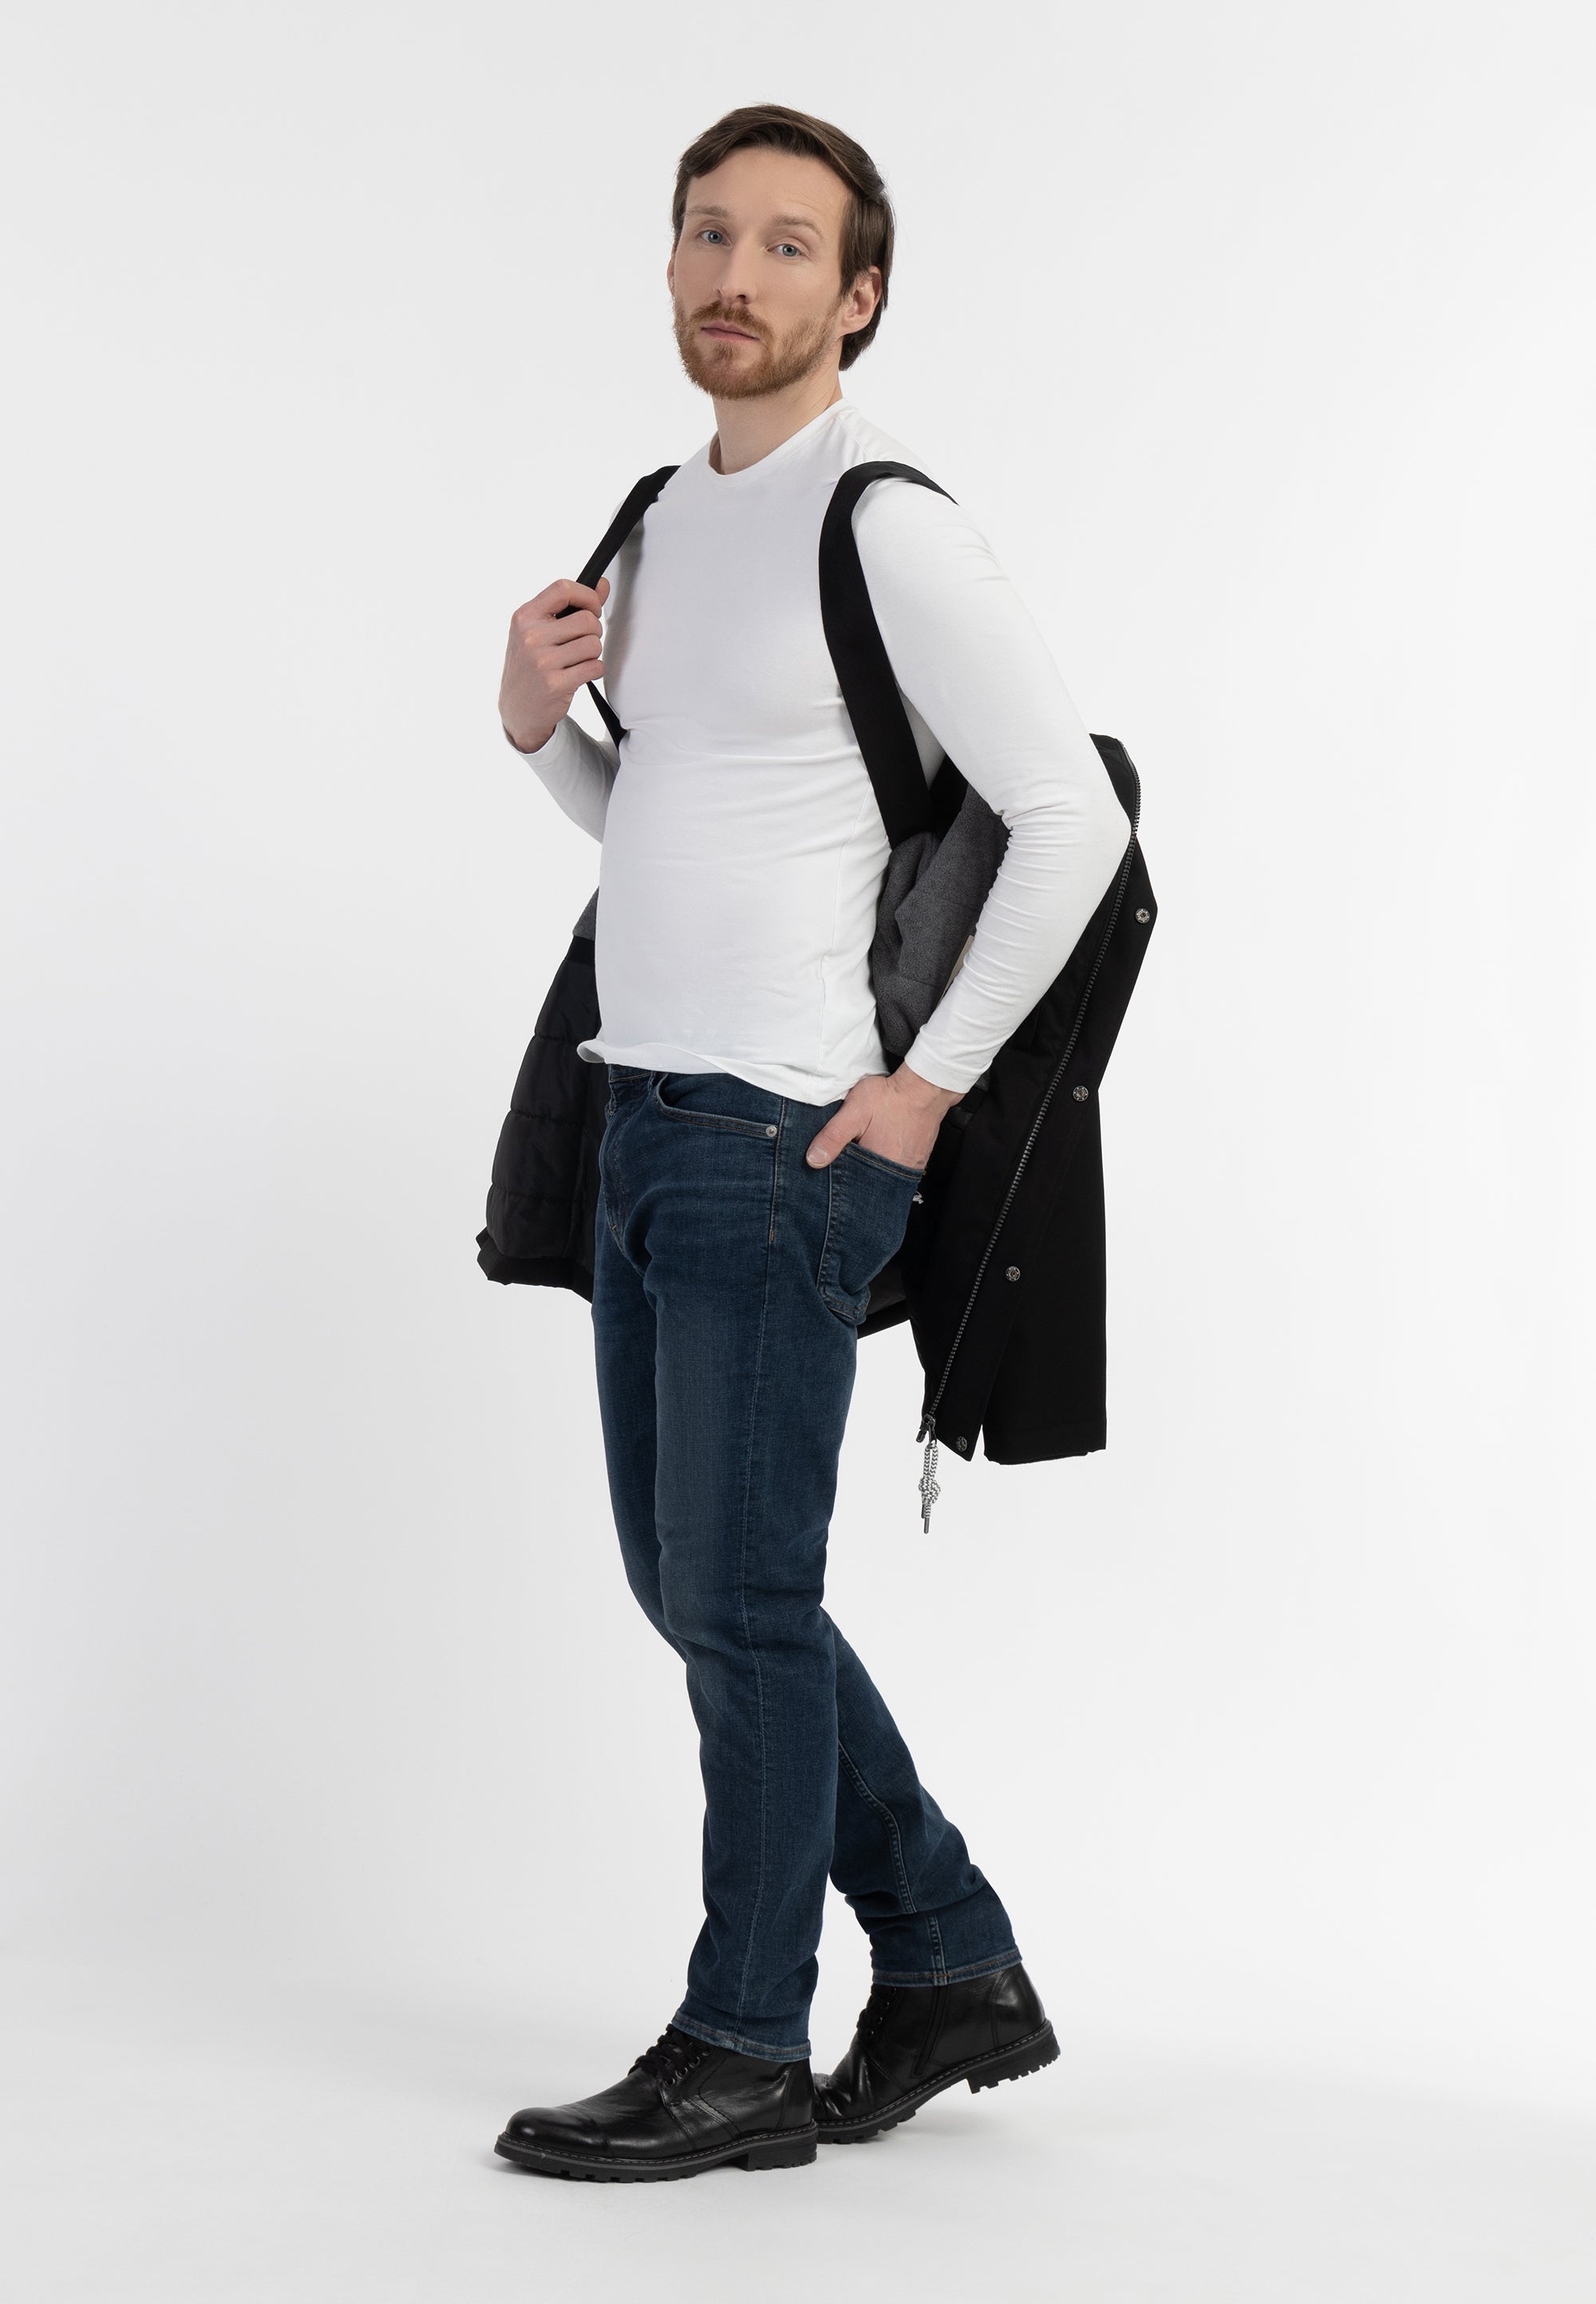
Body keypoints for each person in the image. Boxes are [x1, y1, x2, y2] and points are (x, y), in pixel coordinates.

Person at [490, 104, 1129, 2183]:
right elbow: (667, 821)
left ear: (857, 296)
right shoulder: (659, 521)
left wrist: (924, 1084)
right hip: (641, 1115)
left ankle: (743, 2043)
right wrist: (540, 734)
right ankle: (945, 1957)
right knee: (698, 1589)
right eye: (708, 233)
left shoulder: (887, 520)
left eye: (786, 245)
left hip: (787, 1140)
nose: (734, 275)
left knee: (744, 1604)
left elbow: (1070, 817)